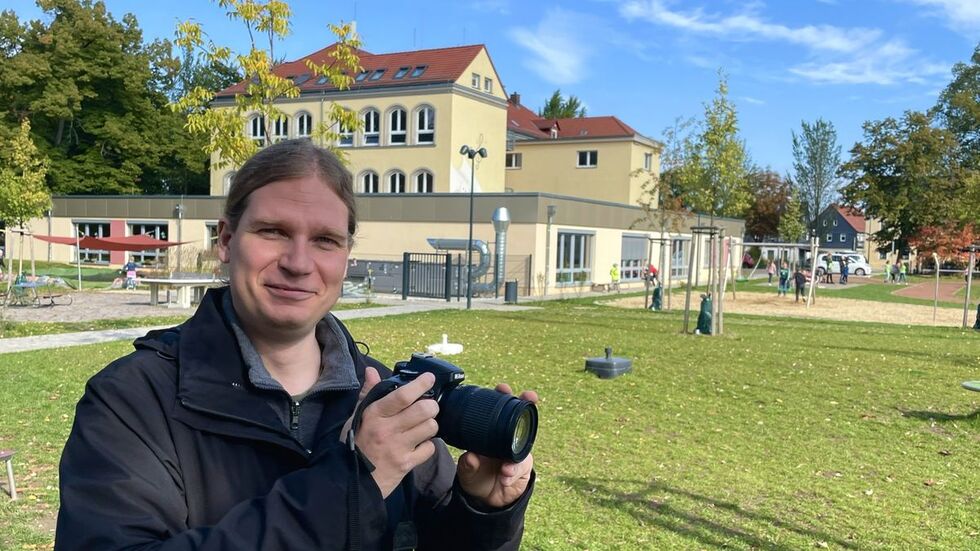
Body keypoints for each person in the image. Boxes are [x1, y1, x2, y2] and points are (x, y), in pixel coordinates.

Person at [56, 139, 536, 550]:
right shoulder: (131, 401)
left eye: (326, 240)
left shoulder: (383, 396)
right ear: (226, 240)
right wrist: (350, 488)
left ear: (347, 257)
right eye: (274, 231)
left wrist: (480, 509)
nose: (299, 262)